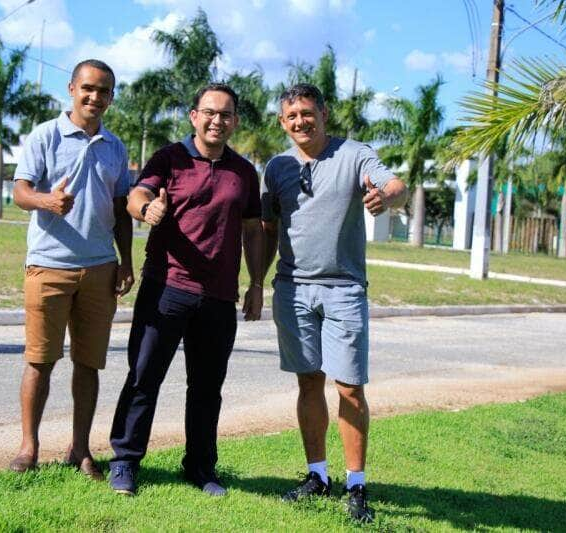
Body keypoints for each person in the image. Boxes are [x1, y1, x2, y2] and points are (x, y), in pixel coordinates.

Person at [108, 83, 264, 497]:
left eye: (226, 114)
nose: (218, 120)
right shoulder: (170, 157)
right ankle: (124, 460)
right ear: (194, 116)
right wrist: (147, 208)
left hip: (218, 297)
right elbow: (137, 193)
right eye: (210, 112)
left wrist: (257, 283)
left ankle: (200, 467)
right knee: (144, 376)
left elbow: (252, 229)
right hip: (167, 287)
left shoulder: (245, 172)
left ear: (235, 121)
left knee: (207, 387)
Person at [261, 83, 407, 522]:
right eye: (291, 117)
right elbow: (270, 229)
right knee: (308, 382)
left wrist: (389, 198)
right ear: (282, 123)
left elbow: (394, 184)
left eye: (307, 113)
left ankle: (356, 484)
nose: (300, 122)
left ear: (323, 113)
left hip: (343, 287)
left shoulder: (354, 154)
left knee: (349, 388)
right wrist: (255, 283)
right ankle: (317, 476)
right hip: (291, 288)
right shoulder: (277, 167)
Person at [9, 59, 134, 479]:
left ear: (112, 97)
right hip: (49, 266)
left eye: (104, 91)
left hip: (100, 269)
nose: (95, 97)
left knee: (89, 364)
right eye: (88, 88)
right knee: (40, 361)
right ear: (71, 89)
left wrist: (126, 262)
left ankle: (80, 450)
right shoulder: (46, 135)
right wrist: (47, 201)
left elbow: (120, 211)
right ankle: (29, 447)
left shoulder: (116, 148)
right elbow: (20, 192)